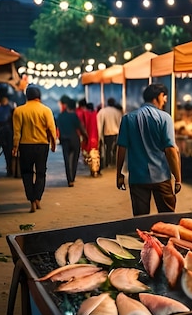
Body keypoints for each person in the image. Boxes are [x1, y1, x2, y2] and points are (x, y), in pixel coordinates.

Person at [116, 83, 182, 216]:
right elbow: (170, 150)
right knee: (168, 218)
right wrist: (178, 178)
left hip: (137, 177)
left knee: (140, 219)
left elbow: (121, 148)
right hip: (161, 176)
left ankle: (142, 237)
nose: (165, 101)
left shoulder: (128, 119)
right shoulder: (165, 118)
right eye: (164, 97)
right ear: (158, 96)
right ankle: (165, 238)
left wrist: (119, 174)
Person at [12, 86, 57, 213]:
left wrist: (15, 147)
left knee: (26, 173)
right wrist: (53, 144)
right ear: (39, 96)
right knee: (41, 172)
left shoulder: (19, 111)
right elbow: (51, 129)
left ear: (27, 96)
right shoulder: (46, 110)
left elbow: (17, 132)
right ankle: (38, 198)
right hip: (42, 145)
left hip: (25, 146)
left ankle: (31, 200)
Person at [56, 97, 88, 187]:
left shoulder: (60, 116)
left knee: (67, 160)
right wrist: (86, 137)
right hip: (74, 140)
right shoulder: (74, 116)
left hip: (65, 140)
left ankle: (69, 179)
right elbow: (80, 127)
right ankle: (72, 178)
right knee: (74, 160)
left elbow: (57, 128)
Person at [76, 99, 100, 177]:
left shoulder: (85, 114)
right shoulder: (96, 114)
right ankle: (95, 171)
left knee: (89, 155)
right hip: (96, 137)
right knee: (95, 155)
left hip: (87, 137)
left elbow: (82, 125)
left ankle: (93, 170)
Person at [96, 97, 123, 168]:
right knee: (115, 150)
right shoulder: (117, 112)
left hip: (107, 133)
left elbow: (99, 123)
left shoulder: (103, 111)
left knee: (108, 149)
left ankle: (108, 163)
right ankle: (114, 162)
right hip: (116, 133)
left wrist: (99, 136)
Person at [0, 95, 15, 176]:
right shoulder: (10, 108)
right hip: (8, 131)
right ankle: (10, 168)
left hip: (2, 131)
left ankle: (9, 168)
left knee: (5, 149)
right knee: (8, 151)